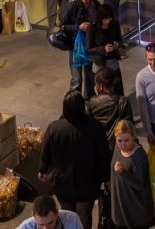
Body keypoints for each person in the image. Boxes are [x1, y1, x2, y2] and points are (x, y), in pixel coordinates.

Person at [38, 92, 109, 229]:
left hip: (62, 181)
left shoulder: (54, 128)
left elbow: (45, 152)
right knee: (84, 215)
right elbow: (103, 155)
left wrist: (42, 169)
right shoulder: (94, 127)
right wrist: (106, 177)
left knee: (68, 215)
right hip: (88, 181)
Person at [108, 120, 154, 229]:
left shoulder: (139, 156)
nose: (123, 144)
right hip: (119, 207)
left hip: (135, 211)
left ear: (133, 137)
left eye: (127, 140)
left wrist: (123, 172)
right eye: (120, 140)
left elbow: (139, 184)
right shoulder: (117, 148)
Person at [59, 0, 101, 99]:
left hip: (90, 46)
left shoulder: (96, 5)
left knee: (89, 77)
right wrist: (78, 27)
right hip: (75, 46)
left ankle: (89, 101)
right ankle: (74, 102)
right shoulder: (73, 6)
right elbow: (62, 26)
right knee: (76, 78)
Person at [87, 68, 133, 137]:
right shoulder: (123, 101)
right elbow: (129, 125)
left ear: (100, 86)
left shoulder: (92, 102)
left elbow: (87, 123)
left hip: (99, 141)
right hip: (118, 142)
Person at [18, 195, 82, 229]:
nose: (45, 228)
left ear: (57, 213)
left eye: (50, 223)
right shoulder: (25, 227)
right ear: (33, 216)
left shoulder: (73, 220)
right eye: (41, 224)